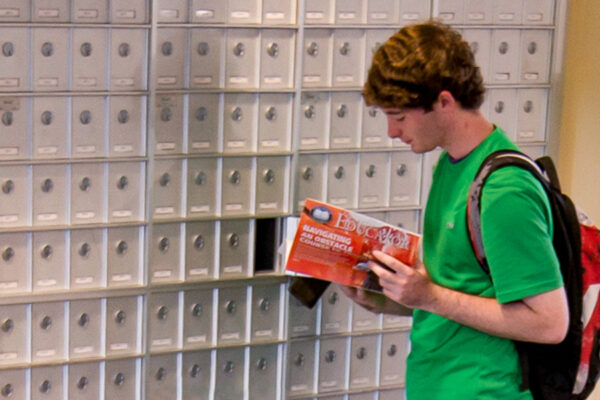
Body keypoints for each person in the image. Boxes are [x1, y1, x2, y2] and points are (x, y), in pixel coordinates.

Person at [341, 21, 568, 399]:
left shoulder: (504, 191)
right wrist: (387, 298)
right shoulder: (450, 165)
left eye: (399, 116)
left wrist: (428, 296)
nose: (391, 131)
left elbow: (549, 323)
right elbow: (457, 292)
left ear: (444, 103)